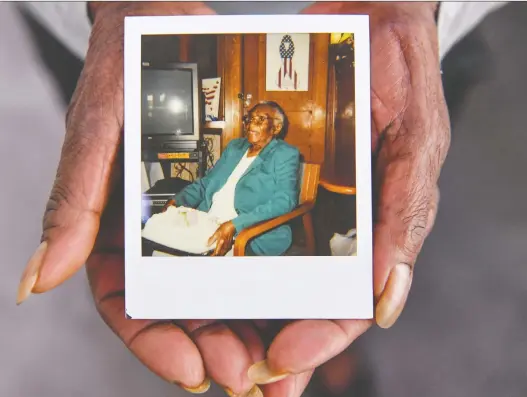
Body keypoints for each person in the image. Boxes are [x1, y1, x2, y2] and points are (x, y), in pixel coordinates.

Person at [11, 2, 508, 397]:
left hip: (256, 222)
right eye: (253, 120)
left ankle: (329, 357)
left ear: (277, 128)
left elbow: (279, 204)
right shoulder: (230, 148)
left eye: (265, 122)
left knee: (382, 221)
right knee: (154, 230)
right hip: (99, 35)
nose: (255, 126)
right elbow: (207, 185)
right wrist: (182, 198)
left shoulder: (286, 157)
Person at [158, 101, 300, 257]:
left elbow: (285, 200)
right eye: (249, 119)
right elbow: (206, 183)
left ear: (276, 128)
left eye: (260, 120)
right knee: (161, 247)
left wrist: (235, 224)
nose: (251, 125)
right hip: (207, 219)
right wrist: (177, 200)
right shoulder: (235, 147)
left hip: (248, 232)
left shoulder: (284, 154)